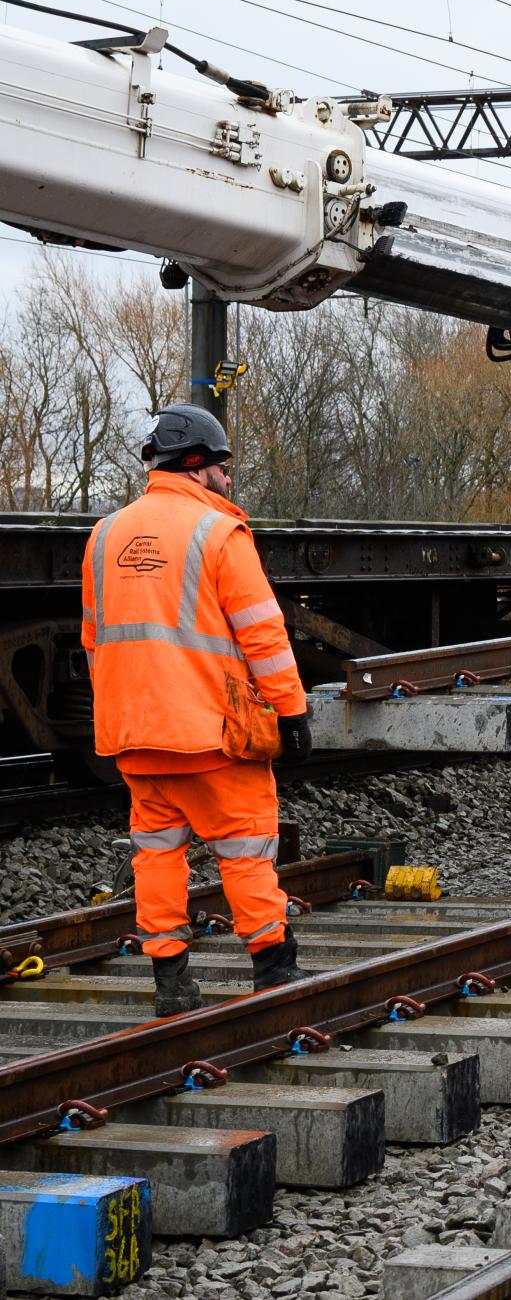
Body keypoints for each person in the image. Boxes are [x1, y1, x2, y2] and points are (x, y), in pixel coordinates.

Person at [80, 405, 311, 1016]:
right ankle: (274, 971)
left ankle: (171, 982)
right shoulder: (218, 534)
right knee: (245, 847)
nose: (228, 481)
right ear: (195, 465)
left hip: (134, 734)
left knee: (156, 852)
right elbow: (263, 633)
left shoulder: (104, 536)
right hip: (210, 733)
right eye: (221, 467)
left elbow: (93, 641)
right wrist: (291, 712)